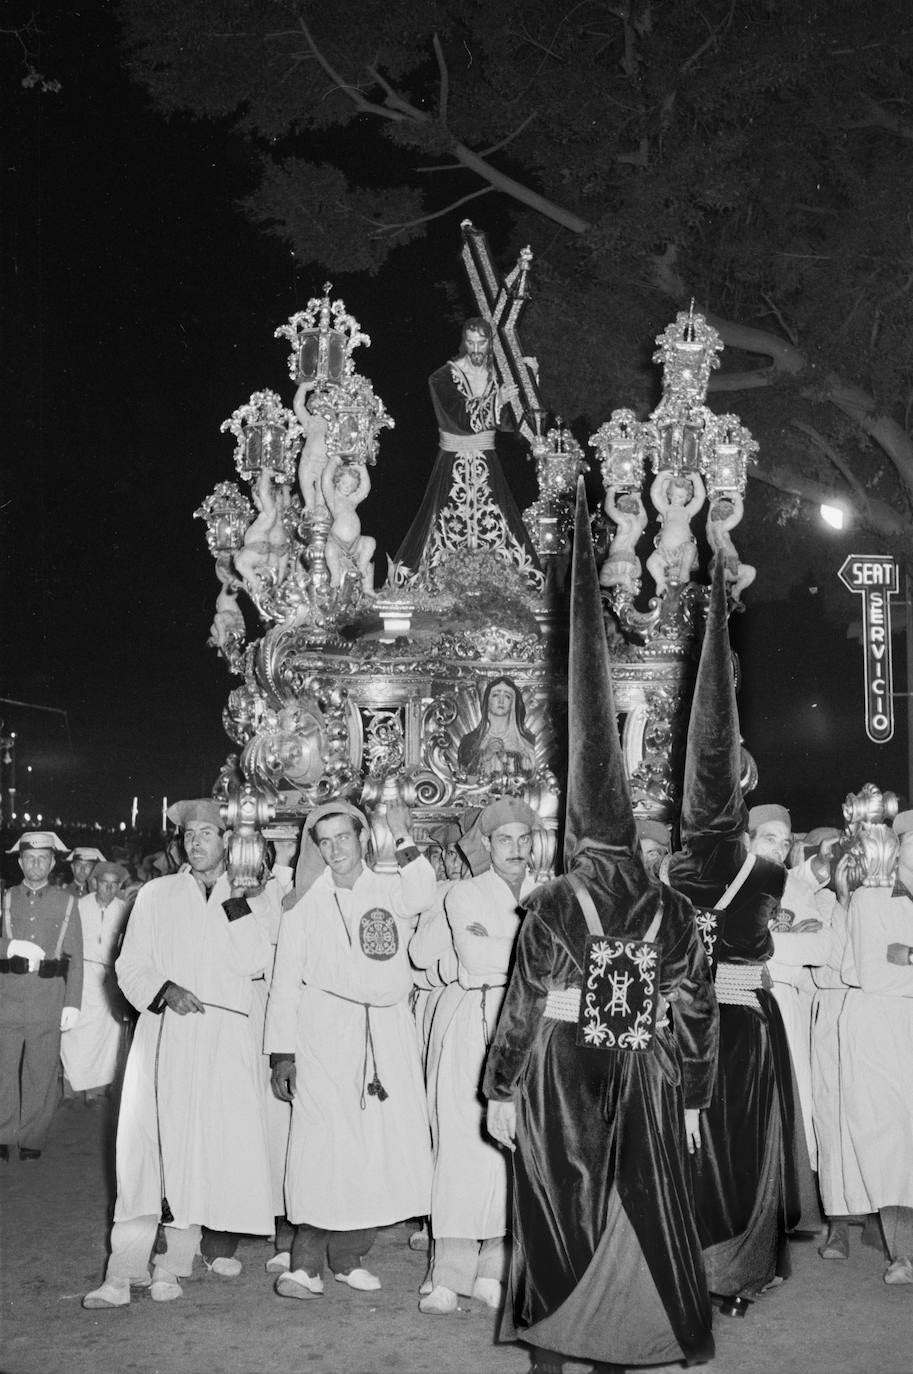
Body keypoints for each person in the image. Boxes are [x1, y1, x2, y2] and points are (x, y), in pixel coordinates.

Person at [484, 480, 718, 1374]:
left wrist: (500, 1092)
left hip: (558, 1069)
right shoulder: (673, 907)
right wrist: (693, 1098)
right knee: (640, 1199)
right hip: (647, 1068)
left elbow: (520, 1006)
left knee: (554, 1200)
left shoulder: (548, 902)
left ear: (579, 830)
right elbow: (692, 1009)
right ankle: (628, 1342)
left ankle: (555, 1351)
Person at [666, 560, 817, 1316]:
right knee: (741, 1145)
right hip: (747, 1024)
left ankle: (692, 1266)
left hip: (684, 1025)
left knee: (690, 1144)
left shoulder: (671, 869)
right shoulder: (764, 869)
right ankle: (737, 1271)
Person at [82, 800, 274, 1308]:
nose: (197, 842)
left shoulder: (251, 897)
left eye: (209, 833)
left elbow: (258, 960)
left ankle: (173, 1264)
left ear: (229, 842)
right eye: (191, 834)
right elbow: (129, 965)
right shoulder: (157, 894)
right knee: (145, 1151)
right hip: (167, 1034)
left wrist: (237, 899)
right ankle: (122, 1272)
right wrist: (164, 989)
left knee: (201, 1152)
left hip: (224, 1040)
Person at [265, 800, 436, 1299]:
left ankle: (348, 1256)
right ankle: (303, 1264)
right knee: (322, 1146)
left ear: (362, 837)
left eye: (344, 837)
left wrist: (403, 837)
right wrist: (282, 1054)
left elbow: (423, 893)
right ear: (315, 848)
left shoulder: (389, 888)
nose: (336, 848)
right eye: (325, 841)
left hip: (386, 1030)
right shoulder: (303, 903)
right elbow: (284, 984)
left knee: (374, 1146)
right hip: (324, 1032)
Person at [420, 797, 542, 1316]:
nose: (515, 850)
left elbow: (563, 963)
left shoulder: (549, 893)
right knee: (463, 1147)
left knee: (511, 1150)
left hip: (531, 1030)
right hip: (472, 1025)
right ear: (486, 846)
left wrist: (499, 946)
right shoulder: (462, 893)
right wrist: (531, 952)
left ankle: (494, 1266)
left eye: (523, 838)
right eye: (503, 840)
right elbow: (476, 958)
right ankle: (447, 1272)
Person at [394, 318, 540, 582]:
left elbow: (513, 422)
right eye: (470, 342)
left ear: (491, 343)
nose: (475, 349)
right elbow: (460, 417)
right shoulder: (441, 378)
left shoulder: (499, 376)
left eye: (481, 343)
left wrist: (528, 379)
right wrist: (496, 400)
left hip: (486, 461)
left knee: (497, 522)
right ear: (463, 342)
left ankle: (499, 582)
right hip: (453, 463)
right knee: (446, 522)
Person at [839, 807, 913, 1284]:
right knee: (891, 1142)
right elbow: (871, 975)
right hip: (883, 1029)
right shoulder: (874, 898)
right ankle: (901, 1254)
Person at [0, 831, 84, 1161]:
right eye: (30, 858)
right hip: (7, 998)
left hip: (48, 998)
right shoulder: (4, 898)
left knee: (41, 1071)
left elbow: (76, 958)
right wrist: (9, 947)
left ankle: (32, 1137)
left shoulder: (67, 903)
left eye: (43, 859)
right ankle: (4, 1134)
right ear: (20, 861)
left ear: (52, 864)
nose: (36, 864)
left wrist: (73, 1003)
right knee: (3, 1070)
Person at [60, 861, 130, 1107]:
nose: (108, 890)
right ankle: (70, 1087)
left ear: (119, 887)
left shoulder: (125, 910)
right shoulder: (80, 906)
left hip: (109, 981)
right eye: (104, 884)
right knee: (74, 1032)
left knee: (106, 1035)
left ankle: (96, 1090)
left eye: (114, 885)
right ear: (95, 883)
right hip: (81, 976)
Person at [456, 676, 537, 781]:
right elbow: (464, 778)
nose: (501, 701)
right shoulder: (470, 741)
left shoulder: (526, 745)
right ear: (487, 701)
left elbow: (531, 782)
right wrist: (484, 756)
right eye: (495, 695)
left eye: (507, 696)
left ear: (513, 703)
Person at [320, 455, 376, 596]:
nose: (347, 487)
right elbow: (326, 480)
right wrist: (333, 462)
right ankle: (335, 576)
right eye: (344, 483)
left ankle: (363, 572)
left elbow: (365, 489)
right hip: (337, 543)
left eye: (351, 486)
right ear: (337, 482)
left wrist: (362, 468)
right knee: (329, 551)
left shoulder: (352, 501)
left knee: (370, 542)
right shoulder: (333, 500)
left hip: (355, 543)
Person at [645, 469, 705, 596]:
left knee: (691, 548)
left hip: (682, 552)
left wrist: (696, 479)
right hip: (665, 553)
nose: (676, 499)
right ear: (669, 494)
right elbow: (655, 494)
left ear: (688, 497)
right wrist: (661, 477)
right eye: (673, 495)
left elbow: (700, 497)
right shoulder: (666, 510)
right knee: (651, 562)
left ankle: (684, 572)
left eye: (681, 497)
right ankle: (660, 581)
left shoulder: (687, 512)